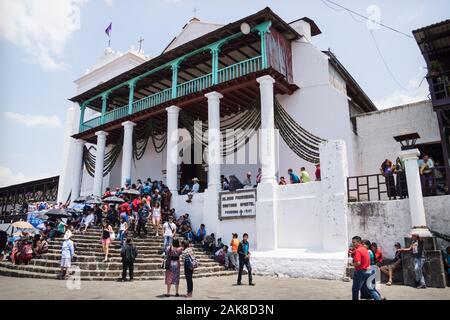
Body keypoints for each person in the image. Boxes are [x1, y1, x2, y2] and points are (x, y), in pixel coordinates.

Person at [350, 236, 381, 300]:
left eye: (354, 242)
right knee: (369, 289)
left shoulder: (358, 250)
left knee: (355, 290)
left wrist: (352, 264)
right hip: (368, 271)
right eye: (352, 242)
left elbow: (358, 263)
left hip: (360, 272)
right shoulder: (365, 249)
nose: (353, 244)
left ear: (358, 242)